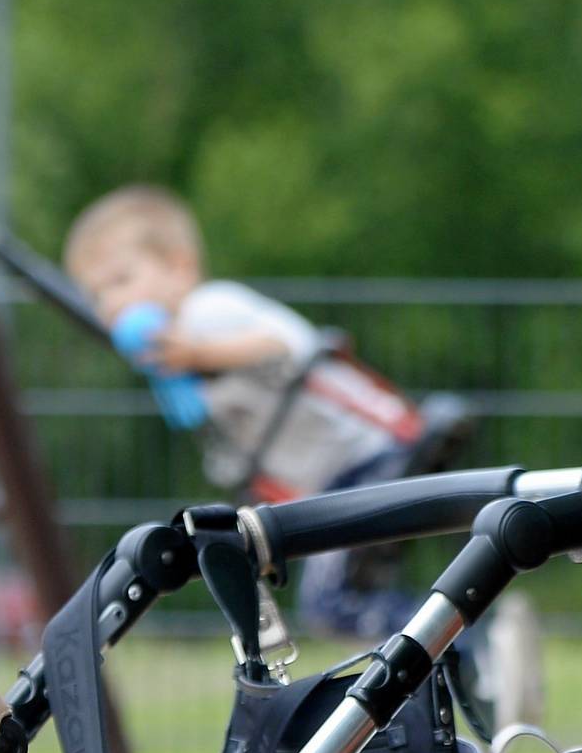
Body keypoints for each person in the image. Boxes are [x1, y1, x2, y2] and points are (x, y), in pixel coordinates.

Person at [63, 185, 422, 633]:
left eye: (121, 281)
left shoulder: (209, 310)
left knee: (332, 601)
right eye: (97, 296)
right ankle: (460, 646)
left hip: (366, 453)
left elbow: (291, 343)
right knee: (345, 598)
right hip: (331, 478)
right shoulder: (178, 355)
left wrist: (201, 355)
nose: (111, 305)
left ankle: (462, 648)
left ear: (180, 266)